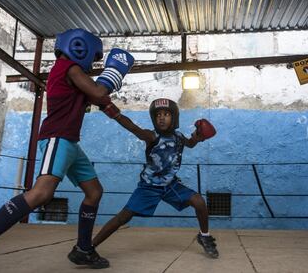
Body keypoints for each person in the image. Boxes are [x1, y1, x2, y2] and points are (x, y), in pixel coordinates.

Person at [0, 28, 134, 268]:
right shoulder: (69, 68)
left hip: (69, 143)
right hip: (58, 138)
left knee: (94, 192)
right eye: (94, 56)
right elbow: (98, 92)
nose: (93, 62)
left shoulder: (69, 74)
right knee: (40, 194)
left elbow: (95, 98)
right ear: (80, 47)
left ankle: (83, 250)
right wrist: (115, 72)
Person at [91, 98, 220, 259]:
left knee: (199, 202)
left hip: (171, 185)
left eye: (166, 114)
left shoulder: (179, 137)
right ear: (154, 118)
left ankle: (204, 236)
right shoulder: (152, 136)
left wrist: (198, 135)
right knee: (123, 217)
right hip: (149, 187)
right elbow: (132, 127)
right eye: (158, 114)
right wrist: (111, 110)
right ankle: (89, 247)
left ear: (174, 117)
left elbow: (191, 144)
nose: (161, 117)